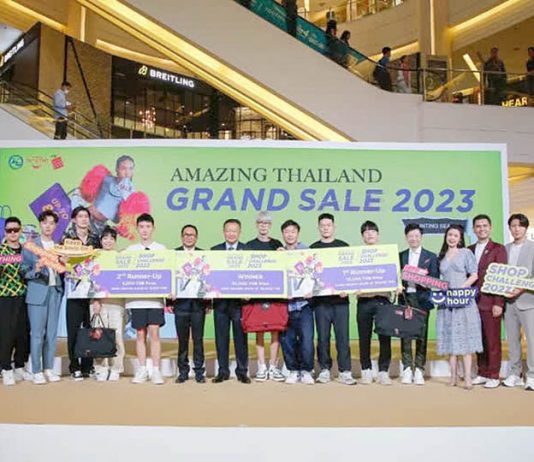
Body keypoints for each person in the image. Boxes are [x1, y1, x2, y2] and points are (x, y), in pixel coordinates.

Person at [310, 213, 355, 385]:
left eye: (328, 225)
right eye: (322, 225)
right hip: (321, 303)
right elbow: (309, 276)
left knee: (343, 337)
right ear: (318, 228)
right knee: (322, 338)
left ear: (334, 227)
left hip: (340, 302)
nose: (325, 228)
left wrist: (347, 289)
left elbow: (350, 273)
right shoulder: (313, 249)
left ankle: (345, 371)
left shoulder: (344, 247)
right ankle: (324, 369)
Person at [437, 225, 482, 390]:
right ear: (446, 236)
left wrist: (461, 288)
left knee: (465, 340)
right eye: (450, 235)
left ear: (460, 238)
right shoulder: (441, 256)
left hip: (463, 300)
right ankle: (453, 377)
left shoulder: (466, 253)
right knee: (451, 340)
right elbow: (439, 279)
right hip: (447, 302)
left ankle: (468, 377)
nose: (452, 238)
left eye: (455, 235)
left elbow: (474, 275)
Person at [21, 211, 64, 385]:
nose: (48, 226)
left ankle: (48, 368)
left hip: (55, 291)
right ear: (40, 224)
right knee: (37, 334)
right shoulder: (31, 246)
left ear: (55, 226)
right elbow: (23, 271)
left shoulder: (59, 247)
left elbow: (64, 269)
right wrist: (36, 270)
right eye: (45, 222)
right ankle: (36, 370)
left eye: (52, 223)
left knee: (52, 334)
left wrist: (66, 262)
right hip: (37, 292)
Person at [127, 214, 166, 385]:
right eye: (142, 227)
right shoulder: (130, 251)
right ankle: (142, 369)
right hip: (137, 300)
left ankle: (156, 370)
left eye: (148, 227)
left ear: (153, 228)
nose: (145, 230)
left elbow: (167, 273)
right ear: (137, 229)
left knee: (155, 333)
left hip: (155, 300)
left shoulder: (161, 250)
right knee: (140, 334)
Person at [468, 215, 507, 389]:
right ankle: (482, 372)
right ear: (474, 229)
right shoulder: (469, 249)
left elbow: (501, 277)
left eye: (484, 225)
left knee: (492, 340)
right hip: (472, 302)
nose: (481, 229)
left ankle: (493, 374)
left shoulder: (498, 249)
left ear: (490, 227)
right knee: (479, 339)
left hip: (491, 302)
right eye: (478, 226)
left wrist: (499, 303)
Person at [245, 211, 284, 382]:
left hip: (274, 294)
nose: (263, 226)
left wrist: (283, 254)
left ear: (270, 226)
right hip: (257, 295)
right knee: (259, 331)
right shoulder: (249, 245)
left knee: (275, 331)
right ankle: (261, 366)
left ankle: (273, 366)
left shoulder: (277, 244)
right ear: (256, 225)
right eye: (260, 222)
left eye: (266, 223)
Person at [63, 206, 100, 381]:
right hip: (74, 292)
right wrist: (63, 261)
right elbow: (61, 264)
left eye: (86, 216)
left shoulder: (95, 239)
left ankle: (87, 365)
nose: (84, 219)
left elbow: (102, 263)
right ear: (74, 220)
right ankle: (74, 366)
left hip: (91, 292)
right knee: (73, 331)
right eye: (80, 216)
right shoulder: (67, 240)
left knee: (90, 330)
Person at [398, 223, 439, 385]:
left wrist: (422, 280)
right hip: (405, 299)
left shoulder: (431, 256)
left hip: (422, 299)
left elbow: (435, 279)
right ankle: (407, 368)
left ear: (421, 237)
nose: (413, 239)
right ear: (406, 237)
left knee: (422, 335)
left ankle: (419, 369)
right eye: (410, 236)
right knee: (405, 334)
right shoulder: (400, 256)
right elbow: (395, 276)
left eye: (416, 236)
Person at [211, 219, 250, 384]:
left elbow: (252, 275)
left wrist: (249, 292)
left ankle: (242, 371)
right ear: (223, 232)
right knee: (221, 339)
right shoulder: (214, 251)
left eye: (234, 231)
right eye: (228, 230)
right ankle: (223, 371)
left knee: (241, 338)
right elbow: (209, 276)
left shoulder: (247, 251)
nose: (231, 234)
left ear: (239, 232)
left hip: (240, 304)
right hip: (220, 303)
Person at [357, 221, 394, 385]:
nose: (370, 234)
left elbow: (395, 274)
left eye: (372, 231)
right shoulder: (356, 255)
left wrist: (397, 284)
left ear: (378, 235)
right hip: (364, 301)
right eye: (366, 232)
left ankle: (383, 371)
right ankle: (365, 370)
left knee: (385, 337)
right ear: (362, 236)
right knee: (364, 337)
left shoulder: (387, 254)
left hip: (383, 300)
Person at [80, 155, 150, 239]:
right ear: (117, 169)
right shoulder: (106, 179)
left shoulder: (132, 196)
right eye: (123, 168)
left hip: (99, 225)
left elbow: (122, 220)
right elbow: (87, 191)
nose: (127, 172)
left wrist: (120, 229)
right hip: (85, 215)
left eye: (130, 168)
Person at [279, 220, 315, 385]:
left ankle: (307, 370)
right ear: (283, 234)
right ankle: (293, 370)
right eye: (287, 232)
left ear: (298, 234)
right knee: (287, 340)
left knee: (307, 340)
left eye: (293, 231)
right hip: (285, 306)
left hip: (304, 304)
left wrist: (312, 290)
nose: (290, 235)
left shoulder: (307, 253)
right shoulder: (278, 255)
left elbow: (316, 276)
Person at [503, 213, 534, 391]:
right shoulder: (505, 249)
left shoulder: (532, 248)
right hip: (508, 302)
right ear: (509, 228)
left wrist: (520, 288)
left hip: (528, 301)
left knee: (532, 340)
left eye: (520, 226)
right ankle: (515, 373)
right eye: (513, 226)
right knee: (512, 340)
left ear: (525, 228)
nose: (516, 229)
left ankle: (532, 375)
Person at [90, 226, 126, 382]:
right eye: (105, 238)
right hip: (98, 303)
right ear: (100, 240)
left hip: (117, 302)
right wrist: (95, 300)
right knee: (99, 335)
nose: (108, 241)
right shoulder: (94, 256)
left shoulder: (121, 257)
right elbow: (90, 279)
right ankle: (101, 368)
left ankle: (116, 368)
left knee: (117, 336)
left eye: (111, 238)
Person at [174, 224, 207, 384]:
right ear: (182, 237)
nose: (188, 237)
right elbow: (169, 278)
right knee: (182, 340)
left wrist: (209, 302)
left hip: (198, 305)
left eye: (192, 235)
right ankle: (183, 371)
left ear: (196, 237)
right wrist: (169, 299)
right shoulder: (174, 255)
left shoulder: (203, 255)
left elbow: (208, 279)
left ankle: (199, 371)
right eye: (186, 235)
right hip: (180, 304)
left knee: (198, 340)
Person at [0, 217, 31, 386]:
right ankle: (6, 368)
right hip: (5, 296)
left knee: (23, 332)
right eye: (9, 230)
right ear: (5, 232)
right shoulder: (1, 250)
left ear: (20, 230)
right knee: (6, 333)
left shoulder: (27, 250)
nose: (12, 233)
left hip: (24, 295)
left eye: (16, 230)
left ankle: (20, 366)